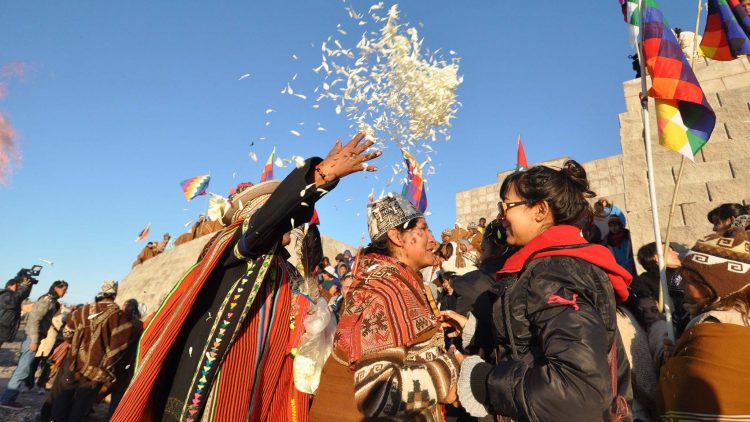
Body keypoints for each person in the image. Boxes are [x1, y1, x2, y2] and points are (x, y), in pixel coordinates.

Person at [112, 133, 380, 422]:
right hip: (218, 388)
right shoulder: (240, 246)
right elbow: (267, 222)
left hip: (256, 389)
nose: (292, 224)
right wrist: (319, 176)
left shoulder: (283, 267)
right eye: (283, 215)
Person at [442, 160, 633, 421]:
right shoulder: (552, 265)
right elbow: (537, 343)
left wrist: (483, 380)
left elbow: (576, 391)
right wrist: (476, 330)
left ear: (540, 210)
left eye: (506, 206)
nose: (500, 216)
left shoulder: (556, 271)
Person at [310, 194, 458, 421]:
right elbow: (377, 393)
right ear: (396, 236)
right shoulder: (382, 291)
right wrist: (450, 369)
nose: (433, 240)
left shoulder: (402, 281)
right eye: (424, 229)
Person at [657, 224, 750, 419]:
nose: (682, 285)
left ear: (716, 285)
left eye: (689, 280)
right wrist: (682, 355)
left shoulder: (716, 325)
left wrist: (673, 368)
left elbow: (695, 398)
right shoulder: (739, 313)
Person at [51, 281, 136, 422]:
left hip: (74, 361)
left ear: (102, 293)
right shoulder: (119, 316)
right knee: (83, 400)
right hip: (97, 367)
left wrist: (78, 344)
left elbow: (67, 334)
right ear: (114, 295)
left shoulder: (82, 311)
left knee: (65, 393)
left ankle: (56, 419)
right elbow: (122, 343)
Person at [0, 280, 68, 408]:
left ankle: (8, 397)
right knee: (23, 369)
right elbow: (34, 320)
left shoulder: (52, 301)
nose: (65, 292)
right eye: (64, 289)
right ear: (56, 288)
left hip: (35, 338)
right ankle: (7, 399)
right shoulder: (47, 300)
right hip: (32, 338)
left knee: (23, 368)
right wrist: (34, 340)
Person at [109, 298, 144, 417]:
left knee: (116, 391)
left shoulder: (126, 322)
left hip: (121, 361)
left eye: (127, 306)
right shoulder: (139, 324)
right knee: (117, 391)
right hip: (125, 362)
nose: (125, 309)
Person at [0, 274, 34, 349]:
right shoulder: (5, 294)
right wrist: (24, 287)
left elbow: (22, 295)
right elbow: (14, 300)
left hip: (3, 328)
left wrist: (28, 287)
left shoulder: (11, 295)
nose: (19, 288)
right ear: (9, 285)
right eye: (18, 286)